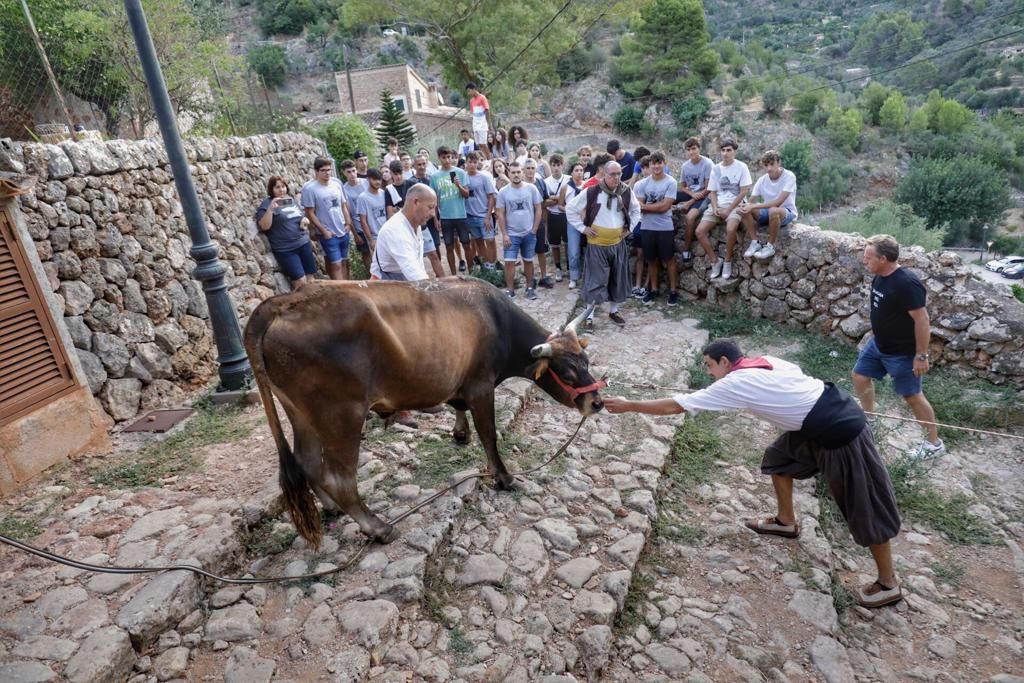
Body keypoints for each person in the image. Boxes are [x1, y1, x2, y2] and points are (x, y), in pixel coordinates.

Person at [602, 339, 904, 609]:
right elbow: (796, 380)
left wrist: (630, 405)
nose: (708, 372)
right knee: (779, 458)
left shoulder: (735, 382)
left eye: (709, 365)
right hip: (819, 417)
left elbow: (676, 406)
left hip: (840, 429)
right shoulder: (768, 360)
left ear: (725, 362)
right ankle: (786, 521)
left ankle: (888, 583)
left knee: (864, 505)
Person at [853, 235, 944, 458]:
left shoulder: (906, 283)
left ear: (883, 258)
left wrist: (921, 356)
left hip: (902, 353)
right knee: (859, 375)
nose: (865, 261)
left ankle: (934, 444)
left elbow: (922, 320)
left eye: (869, 257)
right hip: (878, 345)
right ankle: (869, 420)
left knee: (912, 396)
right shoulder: (880, 276)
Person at [566, 160, 640, 330]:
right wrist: (583, 228)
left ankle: (613, 311)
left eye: (619, 174)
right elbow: (571, 209)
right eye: (612, 174)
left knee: (617, 278)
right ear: (604, 174)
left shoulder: (627, 192)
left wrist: (629, 229)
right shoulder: (591, 192)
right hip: (597, 244)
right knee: (595, 280)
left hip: (618, 243)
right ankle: (589, 316)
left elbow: (637, 211)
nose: (616, 177)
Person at [695, 138, 752, 281]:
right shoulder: (716, 168)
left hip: (735, 205)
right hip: (718, 204)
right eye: (723, 150)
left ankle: (727, 261)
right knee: (700, 231)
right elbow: (712, 191)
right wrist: (714, 207)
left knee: (731, 228)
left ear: (734, 152)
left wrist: (729, 210)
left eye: (729, 150)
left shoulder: (741, 167)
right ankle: (715, 261)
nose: (725, 153)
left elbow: (743, 192)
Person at [255, 176, 318, 288]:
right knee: (300, 282)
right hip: (286, 249)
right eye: (277, 187)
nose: (281, 190)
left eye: (283, 186)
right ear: (271, 189)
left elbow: (300, 214)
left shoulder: (290, 200)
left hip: (303, 243)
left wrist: (304, 220)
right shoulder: (267, 204)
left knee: (311, 279)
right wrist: (271, 209)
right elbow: (264, 226)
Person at [634, 152, 679, 305]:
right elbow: (639, 207)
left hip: (665, 228)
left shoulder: (671, 182)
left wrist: (647, 207)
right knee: (651, 259)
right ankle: (653, 289)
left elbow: (666, 207)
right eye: (653, 163)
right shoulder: (641, 184)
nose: (656, 166)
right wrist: (656, 207)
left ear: (664, 163)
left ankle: (673, 291)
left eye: (659, 163)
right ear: (650, 165)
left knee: (669, 259)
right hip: (647, 227)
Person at [387, 159, 444, 278]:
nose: (398, 176)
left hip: (422, 227)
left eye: (400, 173)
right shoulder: (398, 188)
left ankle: (444, 282)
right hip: (411, 227)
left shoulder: (428, 179)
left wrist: (434, 219)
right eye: (395, 173)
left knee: (433, 254)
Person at [739, 150, 798, 261]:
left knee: (773, 211)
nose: (769, 168)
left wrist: (753, 206)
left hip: (786, 212)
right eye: (766, 165)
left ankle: (770, 246)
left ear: (778, 162)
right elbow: (751, 201)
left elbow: (778, 202)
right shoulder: (762, 180)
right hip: (769, 211)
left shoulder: (789, 176)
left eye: (772, 164)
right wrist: (745, 205)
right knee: (744, 210)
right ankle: (755, 242)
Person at [371, 183, 437, 282]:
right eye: (430, 207)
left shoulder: (415, 223)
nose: (433, 213)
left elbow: (418, 263)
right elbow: (413, 272)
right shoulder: (395, 230)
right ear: (415, 202)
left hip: (404, 279)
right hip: (385, 285)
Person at [495, 161, 543, 299]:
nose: (516, 175)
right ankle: (510, 290)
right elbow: (500, 213)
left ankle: (529, 288)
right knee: (509, 262)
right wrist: (504, 234)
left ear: (522, 172)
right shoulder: (503, 192)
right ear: (508, 173)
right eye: (513, 172)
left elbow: (538, 208)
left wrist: (534, 229)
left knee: (528, 261)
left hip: (529, 232)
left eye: (518, 172)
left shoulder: (531, 189)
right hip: (511, 234)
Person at [301, 157, 353, 280]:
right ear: (316, 171)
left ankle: (347, 287)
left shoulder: (336, 184)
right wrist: (323, 231)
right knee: (336, 264)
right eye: (323, 170)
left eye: (329, 170)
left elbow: (343, 204)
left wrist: (348, 223)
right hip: (328, 232)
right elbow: (309, 212)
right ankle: (340, 291)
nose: (327, 173)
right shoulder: (310, 188)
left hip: (342, 229)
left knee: (345, 261)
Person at [430, 145, 473, 274]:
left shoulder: (460, 172)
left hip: (460, 214)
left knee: (466, 244)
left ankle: (471, 272)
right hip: (445, 217)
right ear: (439, 158)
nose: (447, 160)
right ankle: (453, 275)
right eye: (444, 157)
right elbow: (434, 199)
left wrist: (458, 185)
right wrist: (436, 218)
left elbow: (467, 195)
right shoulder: (434, 177)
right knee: (449, 246)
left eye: (449, 157)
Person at [677, 137, 713, 265]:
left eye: (694, 149)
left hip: (704, 195)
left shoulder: (707, 164)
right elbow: (682, 186)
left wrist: (690, 201)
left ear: (699, 148)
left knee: (690, 217)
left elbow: (709, 188)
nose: (691, 152)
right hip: (692, 193)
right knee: (668, 197)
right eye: (689, 150)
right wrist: (691, 193)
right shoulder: (685, 166)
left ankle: (686, 249)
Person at [523, 158, 553, 288]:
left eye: (532, 168)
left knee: (541, 250)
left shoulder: (541, 182)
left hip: (539, 221)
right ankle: (531, 278)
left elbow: (545, 202)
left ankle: (543, 276)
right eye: (528, 168)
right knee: (527, 252)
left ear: (536, 169)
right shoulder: (520, 184)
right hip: (524, 223)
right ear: (524, 170)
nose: (530, 171)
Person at [464, 151, 498, 269]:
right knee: (478, 241)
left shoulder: (484, 177)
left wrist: (488, 216)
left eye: (475, 162)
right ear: (466, 163)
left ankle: (493, 264)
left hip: (483, 214)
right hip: (470, 215)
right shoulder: (463, 177)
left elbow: (491, 196)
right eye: (470, 162)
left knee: (490, 240)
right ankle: (485, 265)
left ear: (478, 162)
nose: (472, 165)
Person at [559, 161, 586, 290]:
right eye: (576, 170)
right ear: (571, 173)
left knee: (587, 250)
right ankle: (574, 277)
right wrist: (569, 211)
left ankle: (587, 276)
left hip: (586, 222)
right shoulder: (565, 187)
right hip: (572, 223)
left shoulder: (587, 186)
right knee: (573, 250)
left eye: (581, 170)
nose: (579, 173)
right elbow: (560, 204)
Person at [544, 154, 570, 282]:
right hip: (553, 216)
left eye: (558, 165)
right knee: (555, 245)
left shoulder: (569, 179)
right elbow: (545, 202)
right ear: (550, 166)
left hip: (566, 216)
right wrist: (560, 198)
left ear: (562, 165)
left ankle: (569, 268)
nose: (556, 168)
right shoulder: (546, 182)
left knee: (568, 244)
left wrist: (554, 197)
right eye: (553, 165)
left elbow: (569, 200)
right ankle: (558, 268)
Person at [340, 159, 371, 269]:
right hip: (359, 226)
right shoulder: (344, 190)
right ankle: (371, 274)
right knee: (366, 253)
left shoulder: (366, 183)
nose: (352, 174)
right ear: (343, 173)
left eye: (353, 171)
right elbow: (348, 213)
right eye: (349, 172)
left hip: (373, 223)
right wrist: (355, 235)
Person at [356, 168, 388, 264]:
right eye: (375, 179)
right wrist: (370, 240)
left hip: (387, 233)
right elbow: (363, 221)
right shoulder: (363, 198)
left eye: (379, 179)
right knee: (380, 263)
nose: (378, 182)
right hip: (375, 236)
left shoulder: (384, 194)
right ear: (368, 179)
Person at [467, 83, 493, 156]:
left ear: (474, 89)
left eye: (469, 91)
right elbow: (473, 113)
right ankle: (484, 158)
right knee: (479, 144)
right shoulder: (471, 101)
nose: (469, 93)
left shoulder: (482, 98)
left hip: (482, 123)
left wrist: (488, 123)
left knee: (483, 143)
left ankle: (489, 158)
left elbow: (487, 110)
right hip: (475, 124)